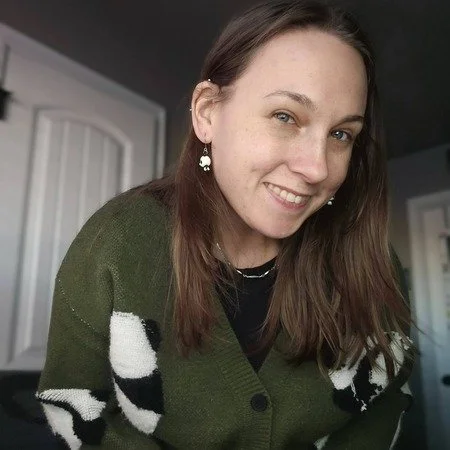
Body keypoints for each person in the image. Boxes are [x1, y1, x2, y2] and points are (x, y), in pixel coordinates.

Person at [37, 0, 415, 448]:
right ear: (207, 112)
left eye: (341, 134)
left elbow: (386, 402)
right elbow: (78, 407)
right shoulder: (117, 242)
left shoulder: (371, 263)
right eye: (285, 116)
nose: (317, 168)